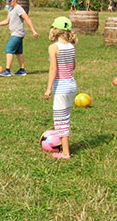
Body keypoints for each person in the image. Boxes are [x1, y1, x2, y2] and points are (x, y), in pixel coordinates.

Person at [44, 16, 77, 160]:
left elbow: (53, 69)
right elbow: (74, 65)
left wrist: (48, 88)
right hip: (71, 85)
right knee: (66, 117)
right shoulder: (71, 46)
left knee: (61, 120)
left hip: (61, 87)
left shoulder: (53, 47)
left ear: (56, 30)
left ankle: (65, 153)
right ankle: (64, 147)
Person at [0, 0, 39, 76]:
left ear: (15, 0)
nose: (9, 2)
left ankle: (7, 70)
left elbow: (27, 18)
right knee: (18, 52)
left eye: (10, 1)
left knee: (9, 49)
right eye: (8, 1)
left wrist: (33, 31)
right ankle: (22, 70)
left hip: (18, 33)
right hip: (14, 33)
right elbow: (7, 21)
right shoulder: (11, 9)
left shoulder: (18, 8)